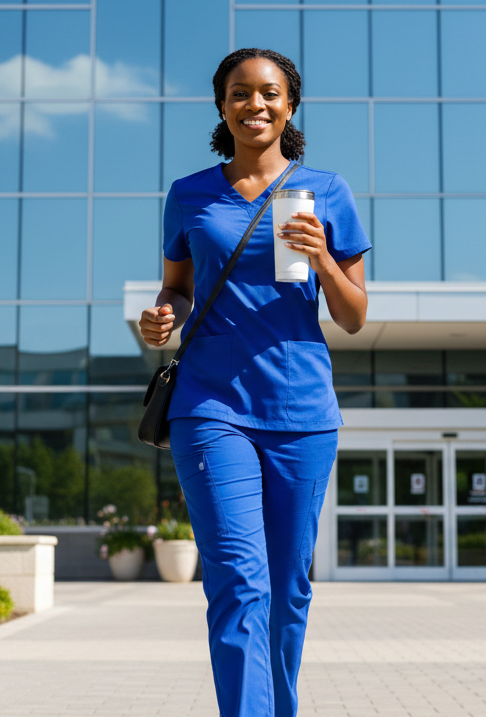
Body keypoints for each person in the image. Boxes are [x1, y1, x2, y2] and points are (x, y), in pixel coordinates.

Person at [139, 48, 369, 716]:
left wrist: (323, 256)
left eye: (269, 93)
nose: (254, 105)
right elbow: (177, 290)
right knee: (239, 583)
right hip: (211, 407)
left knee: (287, 589)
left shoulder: (327, 192)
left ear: (290, 105)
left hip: (301, 410)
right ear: (221, 106)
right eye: (240, 93)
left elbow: (353, 316)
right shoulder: (189, 195)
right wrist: (162, 318)